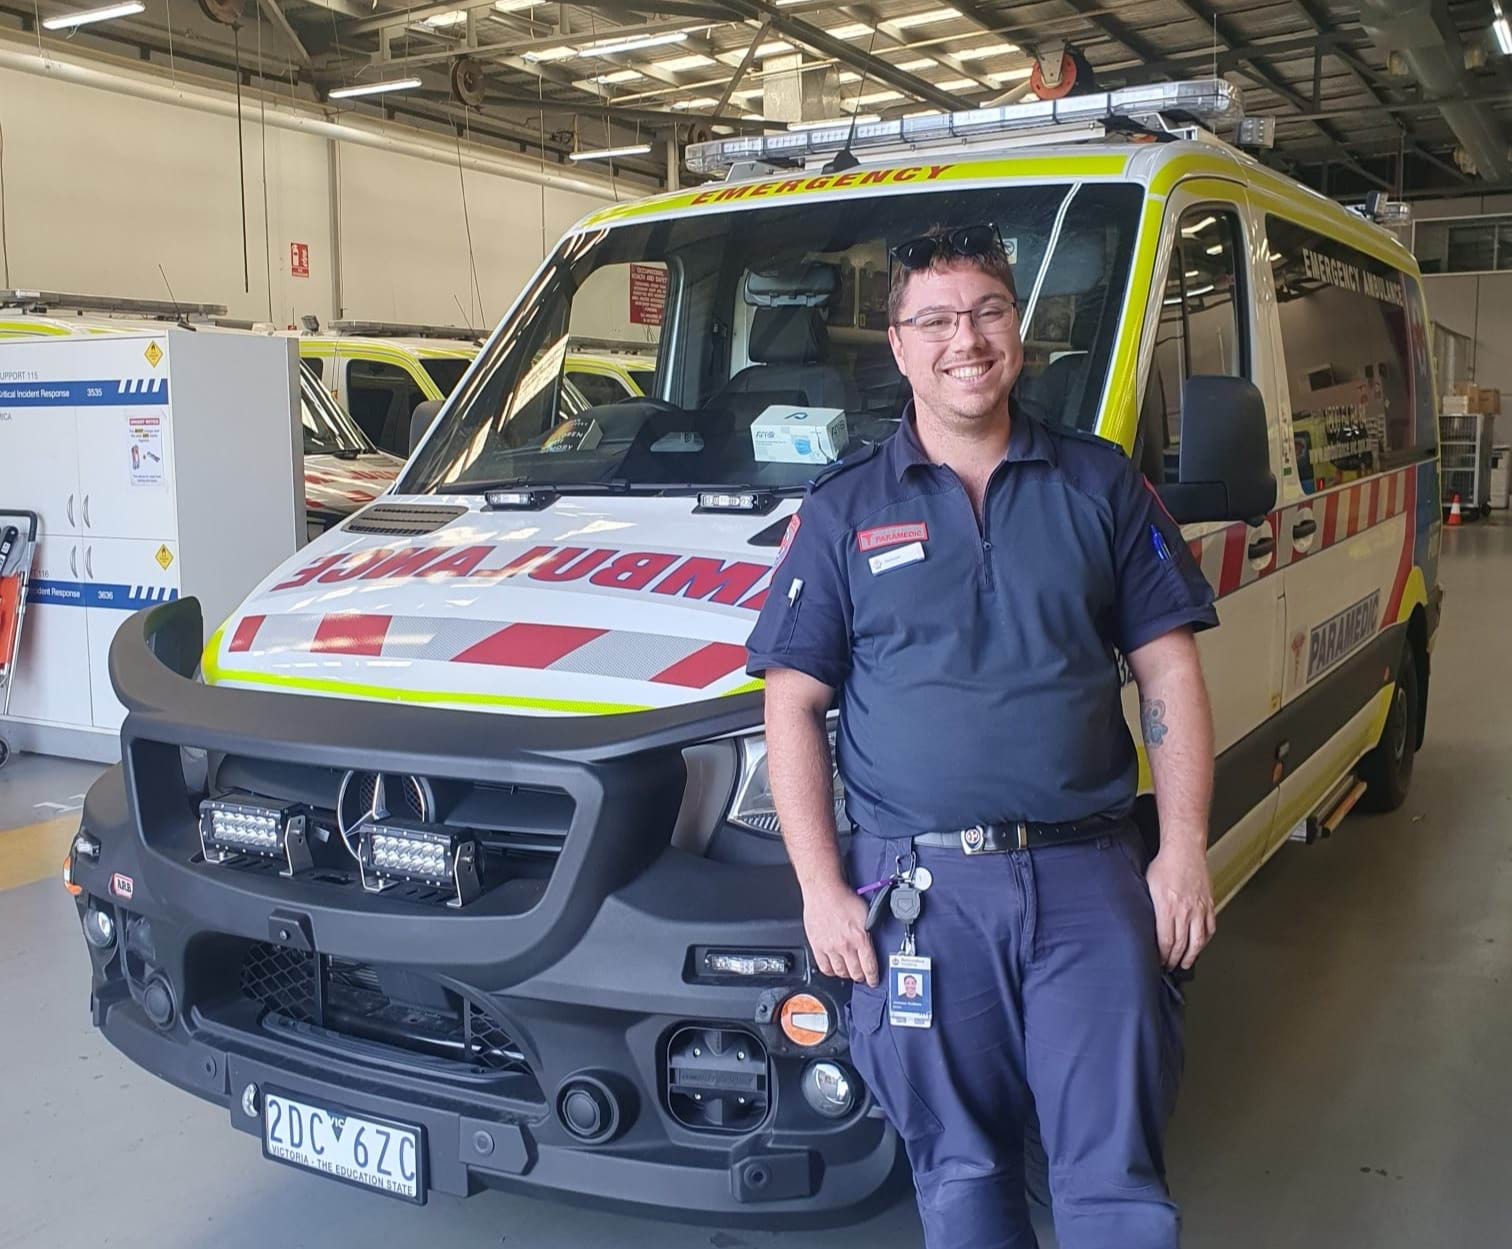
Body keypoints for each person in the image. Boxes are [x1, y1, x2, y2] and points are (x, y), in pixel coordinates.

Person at [745, 223, 1220, 1249]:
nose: (966, 337)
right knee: (959, 1174)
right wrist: (820, 887)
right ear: (901, 346)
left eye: (988, 310)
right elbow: (791, 701)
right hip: (915, 903)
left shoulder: (1100, 486)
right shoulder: (842, 511)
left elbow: (1168, 668)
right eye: (936, 319)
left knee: (1116, 1178)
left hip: (1089, 882)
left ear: (1019, 329)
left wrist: (1181, 851)